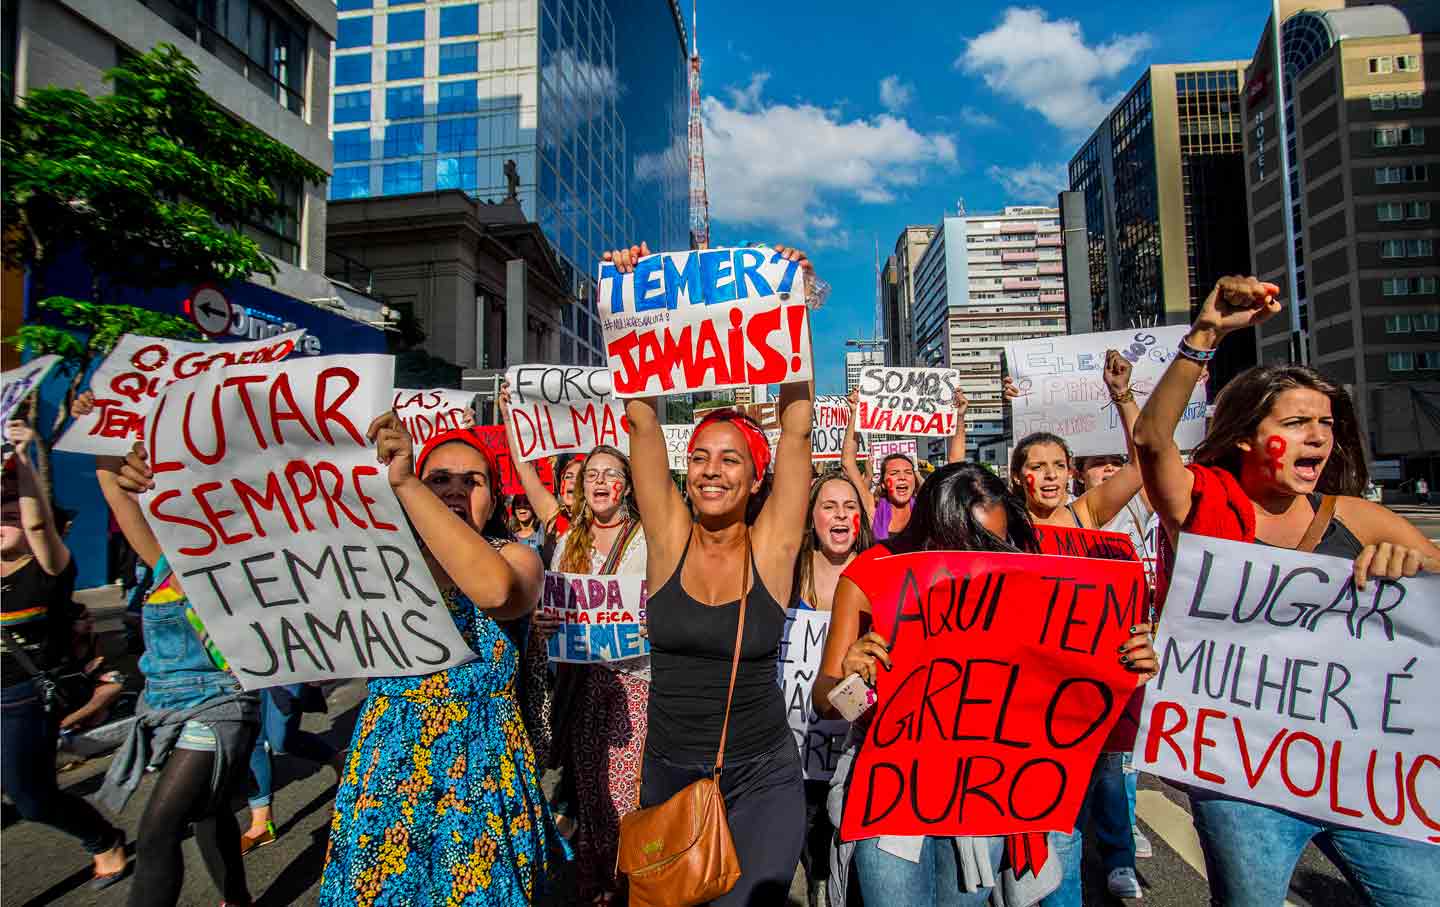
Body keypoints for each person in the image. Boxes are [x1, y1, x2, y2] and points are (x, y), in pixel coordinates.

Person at [1132, 275, 1440, 907]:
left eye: (1324, 423)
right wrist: (1207, 334)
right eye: (1295, 422)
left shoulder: (1364, 518)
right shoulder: (1203, 505)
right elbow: (1152, 441)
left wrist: (1413, 568)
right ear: (1246, 435)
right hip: (1243, 777)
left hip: (1366, 774)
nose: (1318, 437)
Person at [813, 462, 1160, 906]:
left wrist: (1123, 663)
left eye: (995, 544)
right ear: (932, 531)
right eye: (967, 546)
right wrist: (852, 678)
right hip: (894, 796)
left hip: (983, 796)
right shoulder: (873, 573)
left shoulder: (1023, 577)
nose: (984, 558)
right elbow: (828, 704)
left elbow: (1062, 682)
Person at [608, 240, 812, 906]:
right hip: (668, 776)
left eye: (730, 459)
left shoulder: (774, 547)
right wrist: (633, 302)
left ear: (757, 481)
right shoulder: (667, 537)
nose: (711, 469)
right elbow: (640, 422)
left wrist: (791, 311)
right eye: (699, 457)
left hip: (762, 780)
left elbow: (798, 433)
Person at [318, 422, 565, 905]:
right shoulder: (379, 560)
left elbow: (495, 591)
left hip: (480, 762)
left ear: (493, 501)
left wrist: (410, 486)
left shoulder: (517, 557)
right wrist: (123, 491)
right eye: (440, 479)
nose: (456, 488)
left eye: (473, 481)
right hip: (389, 758)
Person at [95, 442, 260, 907]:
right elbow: (113, 489)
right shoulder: (166, 560)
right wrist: (103, 425)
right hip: (164, 707)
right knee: (211, 813)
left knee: (156, 831)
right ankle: (238, 899)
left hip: (219, 707)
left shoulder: (252, 560)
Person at [1, 422, 128, 889]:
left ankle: (102, 838)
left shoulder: (49, 569)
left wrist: (23, 458)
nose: (3, 519)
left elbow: (36, 523)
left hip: (22, 698)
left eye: (10, 512)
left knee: (31, 799)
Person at [545, 445, 648, 904]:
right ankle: (596, 886)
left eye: (612, 473)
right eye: (593, 475)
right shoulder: (568, 543)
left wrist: (653, 618)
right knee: (590, 792)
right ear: (582, 487)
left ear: (626, 484)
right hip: (582, 682)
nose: (602, 482)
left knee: (624, 793)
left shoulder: (649, 538)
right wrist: (545, 623)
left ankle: (627, 884)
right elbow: (554, 607)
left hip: (635, 681)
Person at [790, 471, 874, 907]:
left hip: (855, 750)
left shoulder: (880, 575)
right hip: (797, 751)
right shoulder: (786, 574)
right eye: (829, 506)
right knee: (808, 846)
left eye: (850, 507)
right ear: (812, 518)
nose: (840, 516)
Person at [1006, 350, 1143, 531]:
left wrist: (1121, 393)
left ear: (1070, 472)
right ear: (1016, 476)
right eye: (1037, 467)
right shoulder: (1002, 522)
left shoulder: (1085, 513)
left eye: (1059, 465)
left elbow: (1140, 465)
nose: (1051, 475)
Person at [842, 386, 968, 539]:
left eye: (908, 472)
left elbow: (955, 467)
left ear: (914, 480)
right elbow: (848, 462)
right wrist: (855, 413)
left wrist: (959, 417)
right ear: (882, 483)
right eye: (894, 473)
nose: (902, 477)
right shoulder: (873, 509)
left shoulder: (927, 508)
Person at [239, 682, 339, 855]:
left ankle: (338, 759)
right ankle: (261, 823)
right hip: (246, 670)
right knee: (254, 738)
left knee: (283, 741)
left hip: (281, 672)